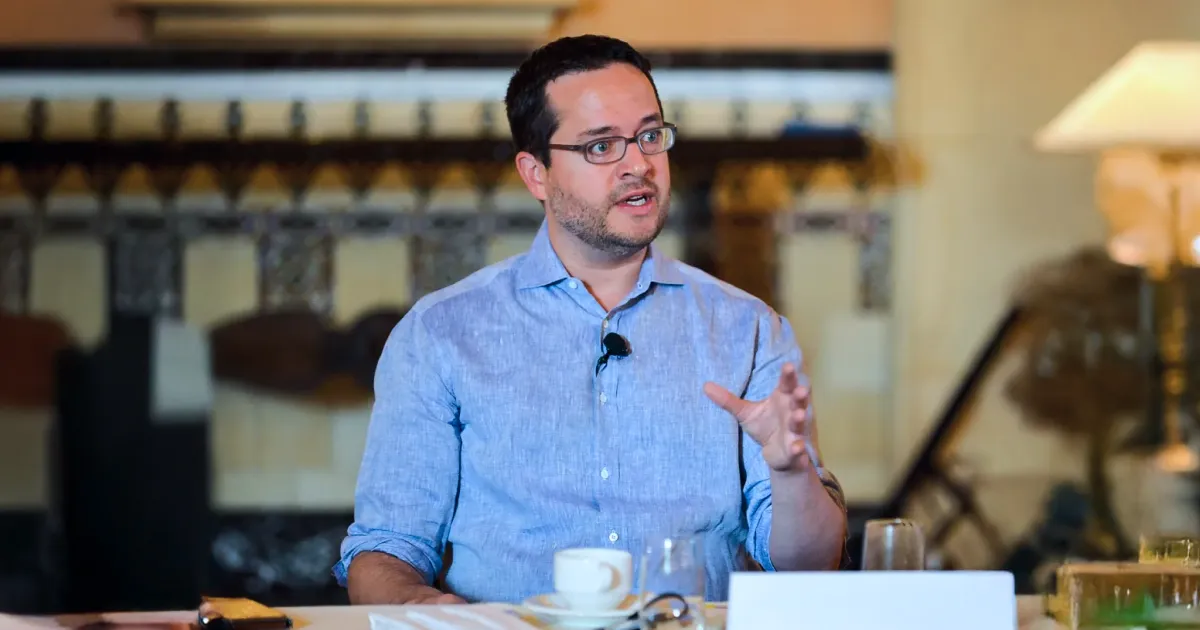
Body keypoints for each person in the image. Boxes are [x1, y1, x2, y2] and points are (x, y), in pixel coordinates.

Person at [334, 34, 849, 606]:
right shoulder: (440, 333)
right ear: (536, 173)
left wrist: (791, 471)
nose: (639, 165)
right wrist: (427, 608)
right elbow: (387, 550)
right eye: (602, 146)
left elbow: (811, 566)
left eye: (650, 136)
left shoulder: (749, 330)